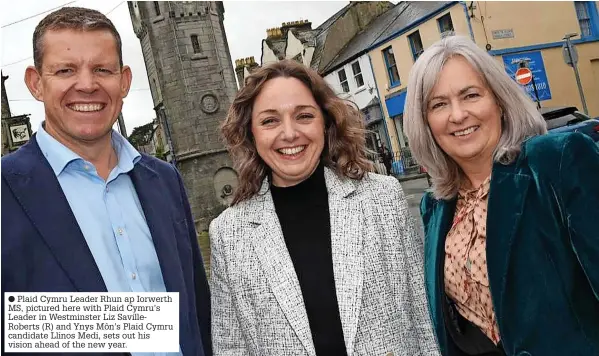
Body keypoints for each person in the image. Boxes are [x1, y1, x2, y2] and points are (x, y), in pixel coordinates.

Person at [1, 7, 212, 356]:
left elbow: (197, 310)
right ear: (36, 84)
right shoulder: (6, 189)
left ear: (124, 81)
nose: (87, 85)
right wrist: (148, 325)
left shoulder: (165, 180)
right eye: (66, 70)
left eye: (102, 69)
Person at [210, 60, 440, 356]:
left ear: (326, 122)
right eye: (270, 121)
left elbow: (424, 321)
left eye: (304, 116)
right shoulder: (228, 234)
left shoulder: (383, 198)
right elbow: (230, 347)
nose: (290, 133)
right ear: (251, 133)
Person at [403, 35, 599, 356]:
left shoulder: (555, 161)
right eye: (439, 104)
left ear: (499, 100)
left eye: (470, 95)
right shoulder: (435, 206)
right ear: (424, 122)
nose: (457, 115)